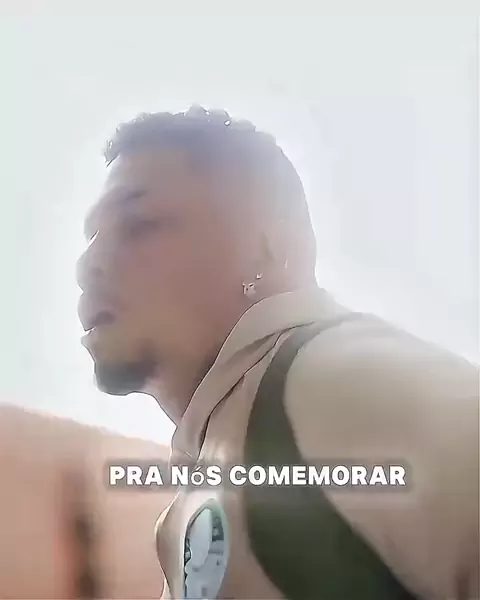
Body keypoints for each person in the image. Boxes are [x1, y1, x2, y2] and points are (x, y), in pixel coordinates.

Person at [77, 106, 479, 599]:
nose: (88, 264)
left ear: (269, 247)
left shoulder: (333, 378)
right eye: (91, 238)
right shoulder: (219, 462)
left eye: (139, 224)